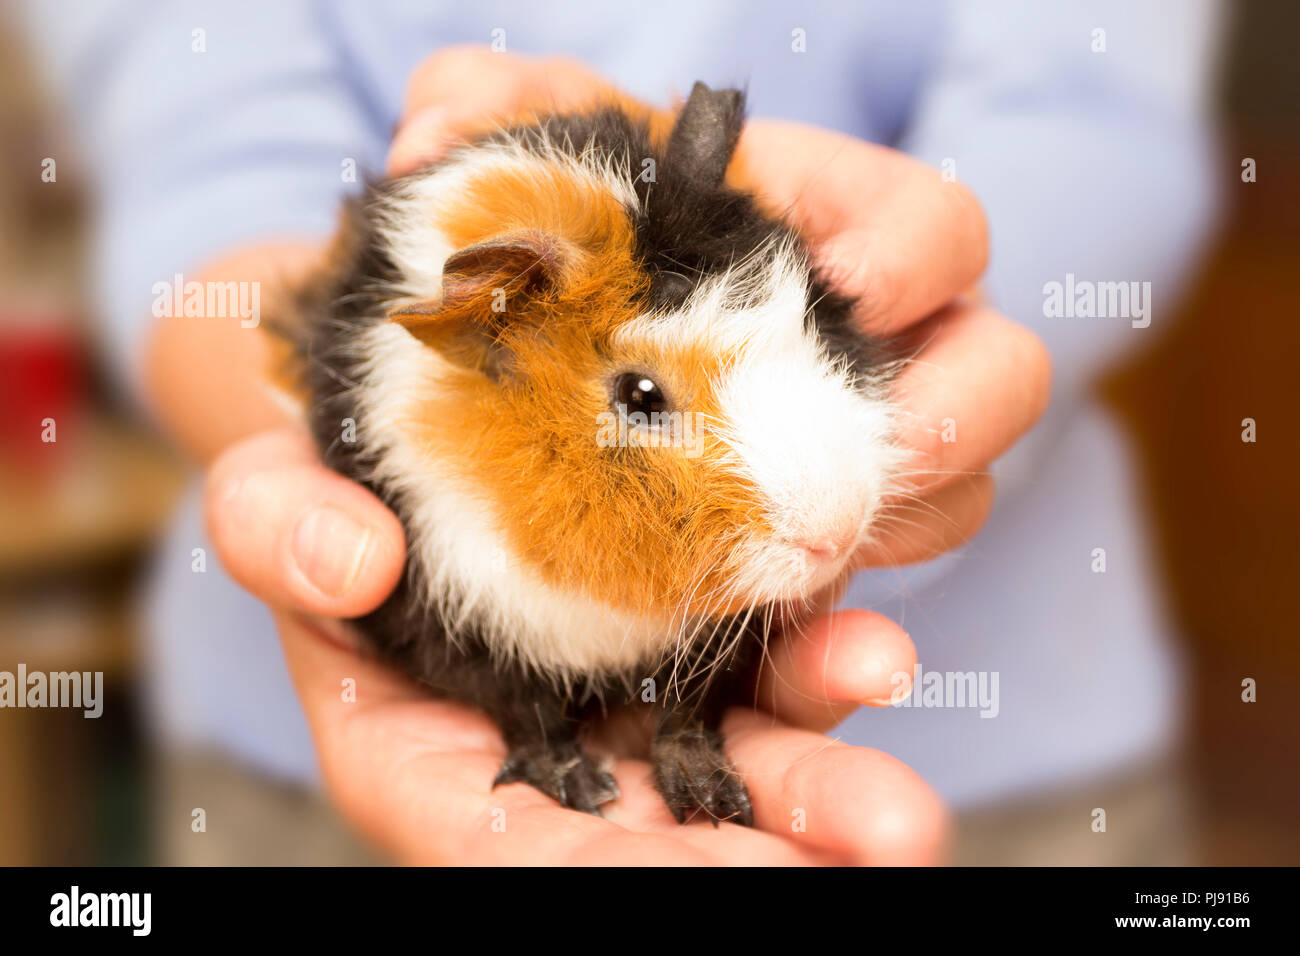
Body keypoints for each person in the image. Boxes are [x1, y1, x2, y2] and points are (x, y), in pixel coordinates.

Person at [18, 0, 1219, 864]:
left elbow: (1096, 102)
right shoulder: (455, 387)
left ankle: (684, 721)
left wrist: (946, 315)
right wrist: (274, 417)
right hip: (287, 803)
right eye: (643, 399)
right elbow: (198, 142)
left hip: (1026, 784)